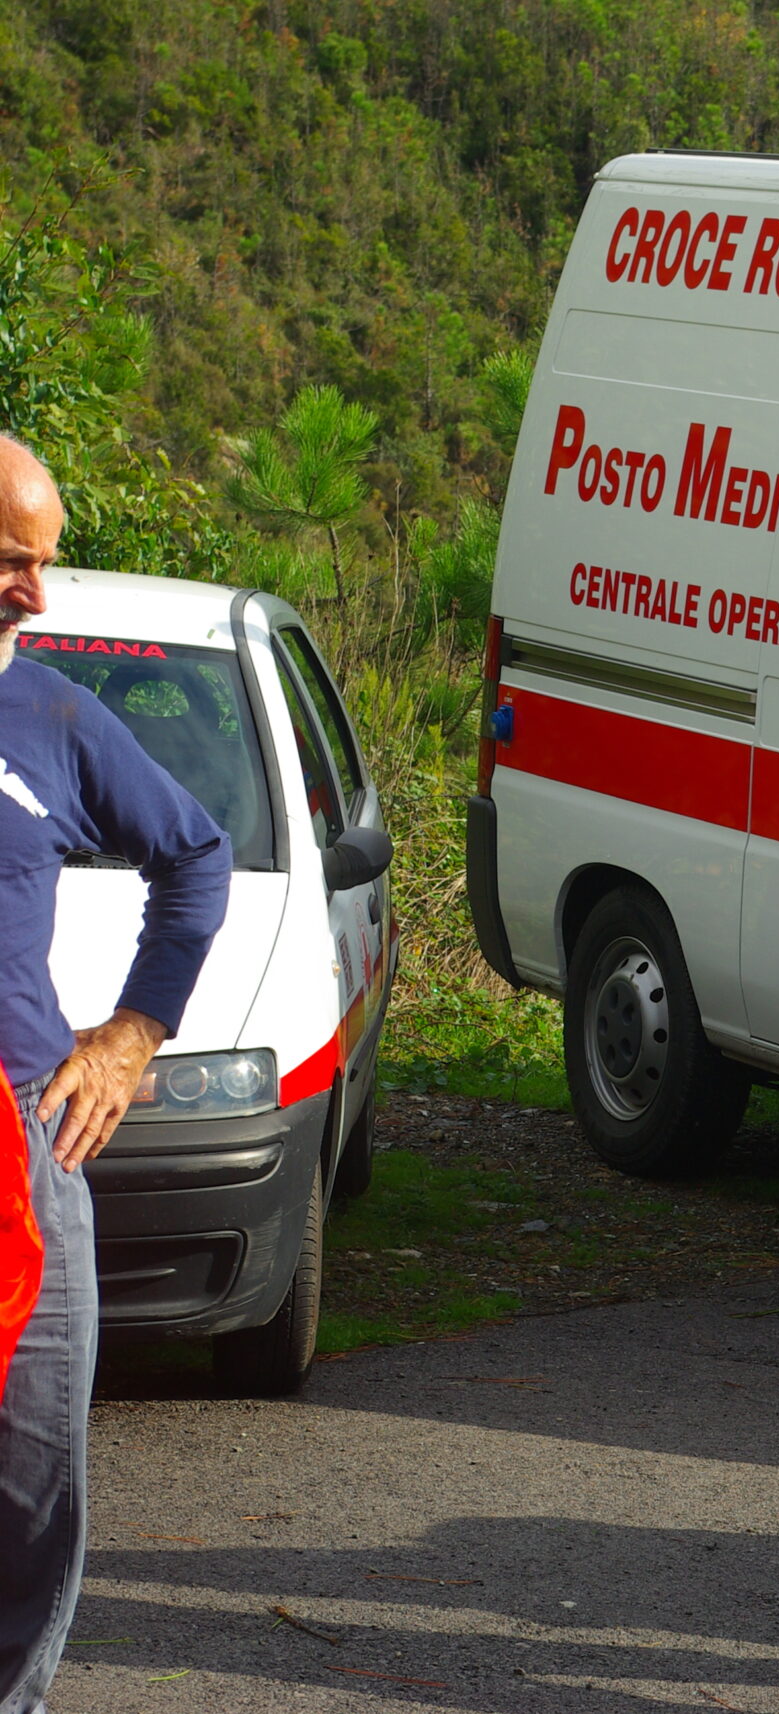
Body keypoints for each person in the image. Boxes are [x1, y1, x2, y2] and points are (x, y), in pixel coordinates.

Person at [0, 435, 231, 1714]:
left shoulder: (44, 715)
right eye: (9, 562)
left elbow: (197, 855)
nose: (38, 594)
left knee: (36, 1487)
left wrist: (131, 1034)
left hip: (25, 1143)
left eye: (44, 562)